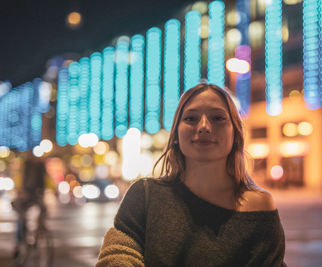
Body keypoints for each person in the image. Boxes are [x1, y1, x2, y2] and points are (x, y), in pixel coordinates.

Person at [96, 83, 286, 266]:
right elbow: (118, 253)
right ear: (176, 135)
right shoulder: (145, 195)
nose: (204, 126)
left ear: (235, 134)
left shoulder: (260, 206)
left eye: (218, 118)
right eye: (191, 119)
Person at [12, 151, 47, 258]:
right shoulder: (24, 165)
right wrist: (20, 192)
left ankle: (37, 234)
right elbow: (19, 179)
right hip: (24, 196)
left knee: (43, 210)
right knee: (21, 219)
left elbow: (45, 180)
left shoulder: (40, 165)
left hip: (36, 195)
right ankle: (18, 244)